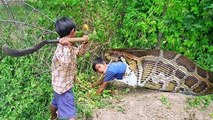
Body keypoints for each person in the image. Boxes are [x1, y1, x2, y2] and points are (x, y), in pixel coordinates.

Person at [50, 17, 88, 120]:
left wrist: (84, 44)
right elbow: (66, 63)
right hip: (64, 88)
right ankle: (54, 116)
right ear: (72, 31)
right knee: (71, 116)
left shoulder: (69, 46)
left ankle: (53, 116)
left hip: (58, 86)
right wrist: (66, 47)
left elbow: (79, 53)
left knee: (55, 103)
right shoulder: (61, 49)